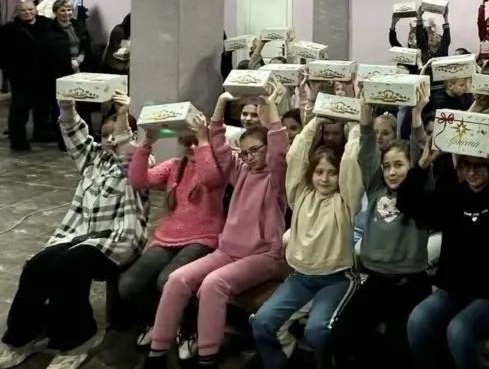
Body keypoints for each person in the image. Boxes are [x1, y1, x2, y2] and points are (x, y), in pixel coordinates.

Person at [143, 86, 289, 369]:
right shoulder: (241, 170)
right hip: (228, 250)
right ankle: (157, 352)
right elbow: (220, 145)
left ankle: (207, 356)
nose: (248, 157)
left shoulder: (276, 178)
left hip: (263, 256)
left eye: (255, 151)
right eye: (244, 152)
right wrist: (221, 102)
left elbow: (280, 151)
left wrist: (271, 109)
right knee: (176, 279)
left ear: (267, 150)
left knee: (213, 285)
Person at [0, 96, 149, 369]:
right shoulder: (93, 159)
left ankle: (77, 337)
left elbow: (128, 150)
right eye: (105, 135)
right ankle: (24, 334)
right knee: (36, 266)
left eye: (115, 135)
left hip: (116, 238)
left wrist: (125, 113)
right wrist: (67, 105)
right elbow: (73, 132)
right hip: (79, 235)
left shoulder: (138, 162)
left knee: (67, 267)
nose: (110, 141)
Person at [251, 116, 363, 369]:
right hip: (301, 277)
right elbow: (296, 157)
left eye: (332, 173)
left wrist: (353, 128)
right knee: (261, 323)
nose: (324, 179)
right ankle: (283, 359)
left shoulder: (346, 201)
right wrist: (315, 122)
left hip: (337, 279)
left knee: (317, 331)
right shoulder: (300, 195)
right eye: (319, 172)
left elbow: (350, 164)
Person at [329, 91, 431, 366]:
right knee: (340, 337)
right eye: (387, 167)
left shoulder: (418, 191)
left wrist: (417, 116)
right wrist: (365, 114)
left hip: (409, 283)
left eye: (399, 165)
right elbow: (367, 152)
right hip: (376, 280)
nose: (392, 172)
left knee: (397, 349)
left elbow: (421, 153)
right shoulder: (376, 189)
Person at [404, 134, 489, 369]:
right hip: (454, 292)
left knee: (458, 331)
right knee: (418, 321)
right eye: (467, 166)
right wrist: (423, 165)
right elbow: (408, 204)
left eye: (479, 166)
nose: (472, 173)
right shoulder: (454, 196)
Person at [120, 123, 225, 350]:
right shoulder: (174, 166)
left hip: (202, 238)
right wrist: (147, 143)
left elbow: (211, 178)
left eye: (195, 142)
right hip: (167, 238)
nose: (191, 147)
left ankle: (189, 329)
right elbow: (139, 180)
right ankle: (156, 322)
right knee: (129, 283)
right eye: (186, 143)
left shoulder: (214, 166)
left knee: (168, 280)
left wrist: (203, 142)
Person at [0, 0, 63, 150]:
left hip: (45, 75)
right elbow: (4, 54)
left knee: (43, 107)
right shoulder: (9, 30)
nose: (27, 13)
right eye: (23, 10)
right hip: (21, 77)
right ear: (18, 13)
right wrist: (10, 72)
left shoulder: (48, 25)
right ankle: (18, 139)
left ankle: (41, 132)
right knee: (20, 108)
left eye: (30, 9)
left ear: (35, 10)